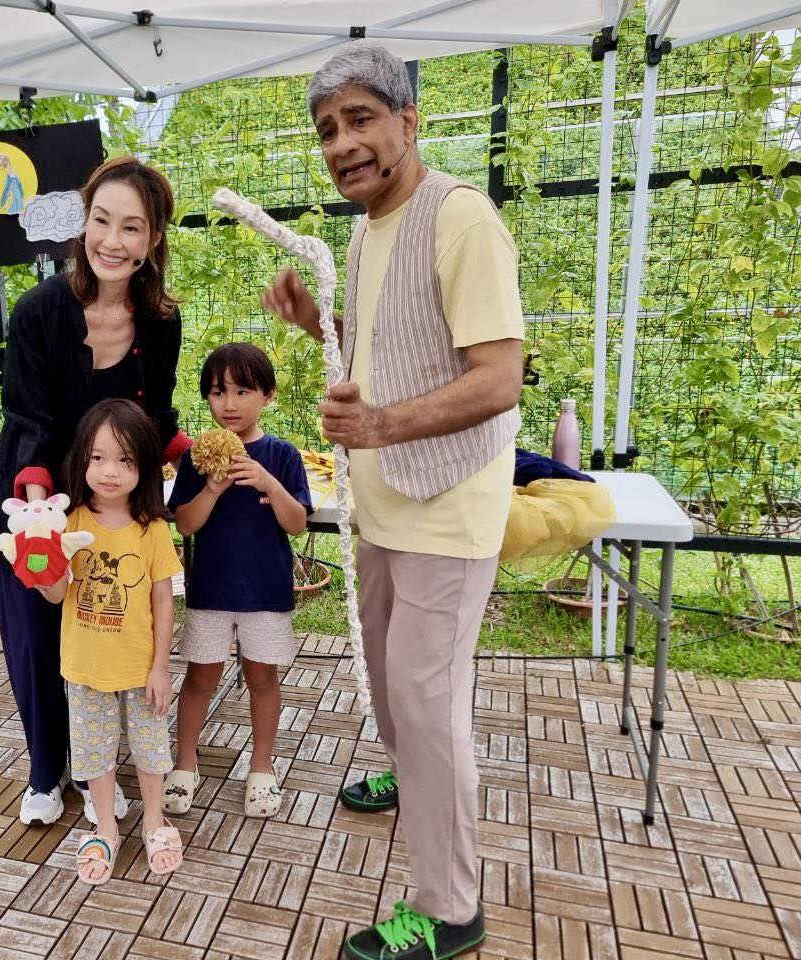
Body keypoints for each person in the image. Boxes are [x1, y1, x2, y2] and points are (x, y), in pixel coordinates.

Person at [261, 46, 524, 960]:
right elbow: (393, 345)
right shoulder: (371, 228)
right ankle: (415, 779)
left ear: (411, 121)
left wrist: (377, 428)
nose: (344, 143)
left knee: (425, 697)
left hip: (448, 506)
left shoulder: (463, 220)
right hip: (383, 504)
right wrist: (316, 328)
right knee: (390, 685)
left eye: (363, 119)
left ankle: (452, 912)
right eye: (329, 129)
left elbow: (499, 378)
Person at [0, 157, 190, 828]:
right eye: (102, 220)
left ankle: (95, 769)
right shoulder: (39, 312)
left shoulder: (160, 320)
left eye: (133, 227)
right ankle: (48, 770)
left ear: (154, 239)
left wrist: (199, 456)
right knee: (38, 638)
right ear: (81, 222)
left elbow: (155, 417)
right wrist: (40, 517)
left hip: (114, 506)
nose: (113, 241)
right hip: (33, 493)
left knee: (106, 631)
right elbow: (30, 421)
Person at [35, 399, 184, 885]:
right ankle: (105, 828)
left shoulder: (154, 529)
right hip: (84, 667)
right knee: (93, 753)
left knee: (150, 749)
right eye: (97, 458)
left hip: (141, 668)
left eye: (125, 460)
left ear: (144, 465)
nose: (110, 471)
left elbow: (164, 602)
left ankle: (155, 822)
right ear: (81, 460)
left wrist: (160, 667)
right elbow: (57, 593)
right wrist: (38, 566)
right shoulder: (70, 522)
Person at [162, 343, 311, 819]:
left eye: (242, 390)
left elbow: (296, 523)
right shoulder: (196, 459)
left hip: (265, 593)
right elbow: (185, 524)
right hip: (210, 591)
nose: (228, 404)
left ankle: (262, 768)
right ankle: (185, 764)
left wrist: (268, 482)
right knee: (201, 675)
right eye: (216, 392)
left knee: (262, 675)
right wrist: (212, 486)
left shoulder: (282, 456)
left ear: (266, 395)